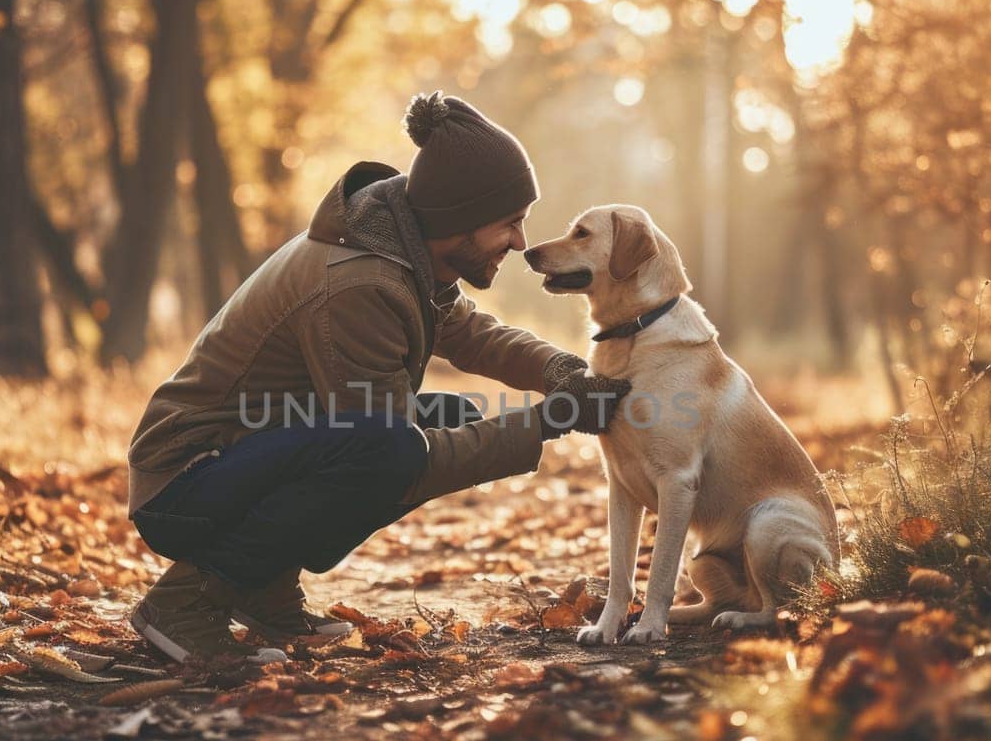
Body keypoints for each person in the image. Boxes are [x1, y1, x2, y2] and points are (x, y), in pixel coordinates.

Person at [124, 92, 631, 661]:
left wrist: (561, 371)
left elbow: (468, 333)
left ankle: (261, 586)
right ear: (459, 221)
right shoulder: (362, 282)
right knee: (390, 450)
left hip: (234, 456)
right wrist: (547, 421)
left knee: (446, 418)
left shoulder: (400, 249)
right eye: (508, 224)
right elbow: (397, 459)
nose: (518, 242)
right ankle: (185, 603)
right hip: (184, 483)